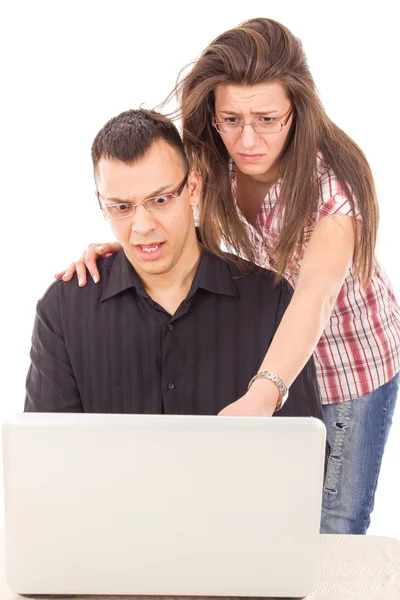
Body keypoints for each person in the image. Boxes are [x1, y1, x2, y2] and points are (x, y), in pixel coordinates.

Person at [60, 18, 400, 535]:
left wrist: (263, 395)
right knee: (267, 524)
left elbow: (315, 296)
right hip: (266, 352)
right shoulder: (211, 155)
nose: (247, 139)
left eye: (267, 119)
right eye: (231, 119)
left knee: (334, 523)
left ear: (297, 110)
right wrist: (136, 237)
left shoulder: (333, 191)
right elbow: (163, 197)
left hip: (348, 364)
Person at [25, 108, 323, 425]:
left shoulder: (270, 300)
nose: (142, 226)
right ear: (102, 204)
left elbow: (306, 457)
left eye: (161, 200)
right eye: (121, 207)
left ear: (193, 188)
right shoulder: (63, 309)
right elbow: (46, 456)